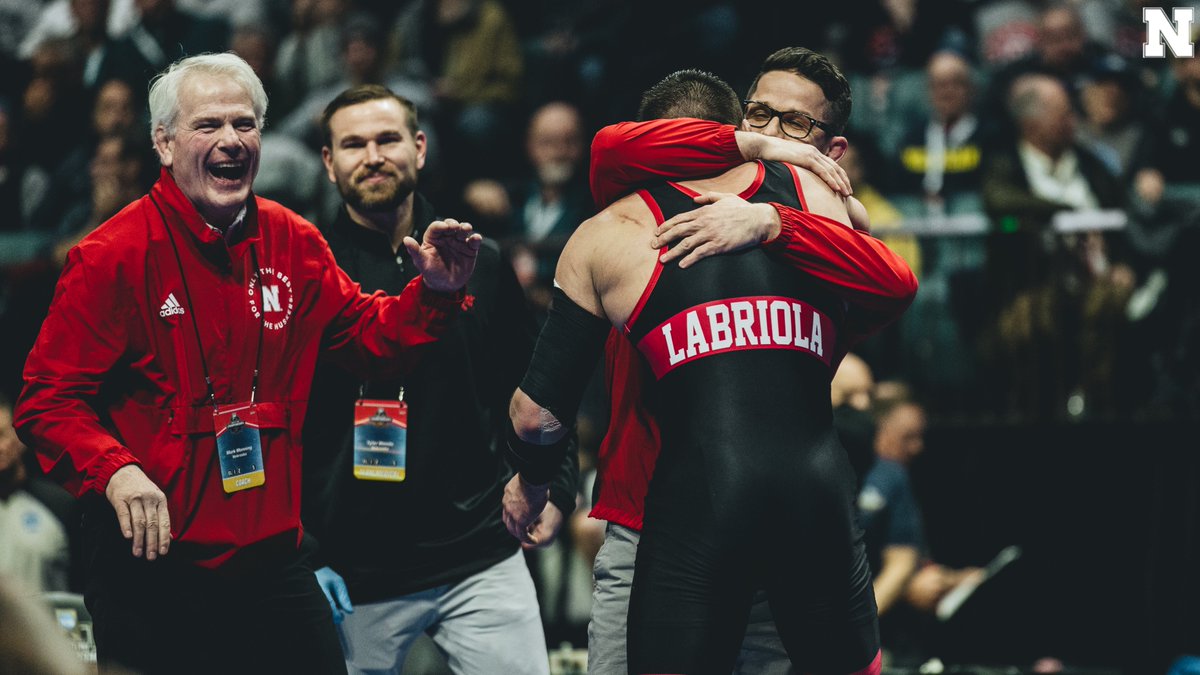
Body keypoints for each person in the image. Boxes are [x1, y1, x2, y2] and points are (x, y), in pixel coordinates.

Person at [13, 52, 482, 675]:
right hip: (154, 571)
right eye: (208, 126)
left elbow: (371, 339)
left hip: (271, 561)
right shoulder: (111, 257)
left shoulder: (295, 240)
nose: (231, 141)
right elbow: (47, 399)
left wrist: (437, 293)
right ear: (163, 142)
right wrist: (116, 470)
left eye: (245, 124)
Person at [503, 68, 915, 675]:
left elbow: (537, 413)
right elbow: (895, 287)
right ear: (734, 126)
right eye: (761, 118)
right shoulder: (819, 197)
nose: (777, 132)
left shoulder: (611, 229)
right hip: (802, 498)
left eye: (795, 125)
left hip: (668, 518)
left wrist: (534, 482)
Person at [303, 83, 577, 675]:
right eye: (353, 144)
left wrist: (554, 486)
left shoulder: (479, 258)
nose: (372, 155)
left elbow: (537, 383)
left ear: (419, 148)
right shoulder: (308, 269)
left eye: (387, 138)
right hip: (355, 570)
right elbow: (287, 419)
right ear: (328, 162)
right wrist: (303, 549)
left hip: (480, 551)